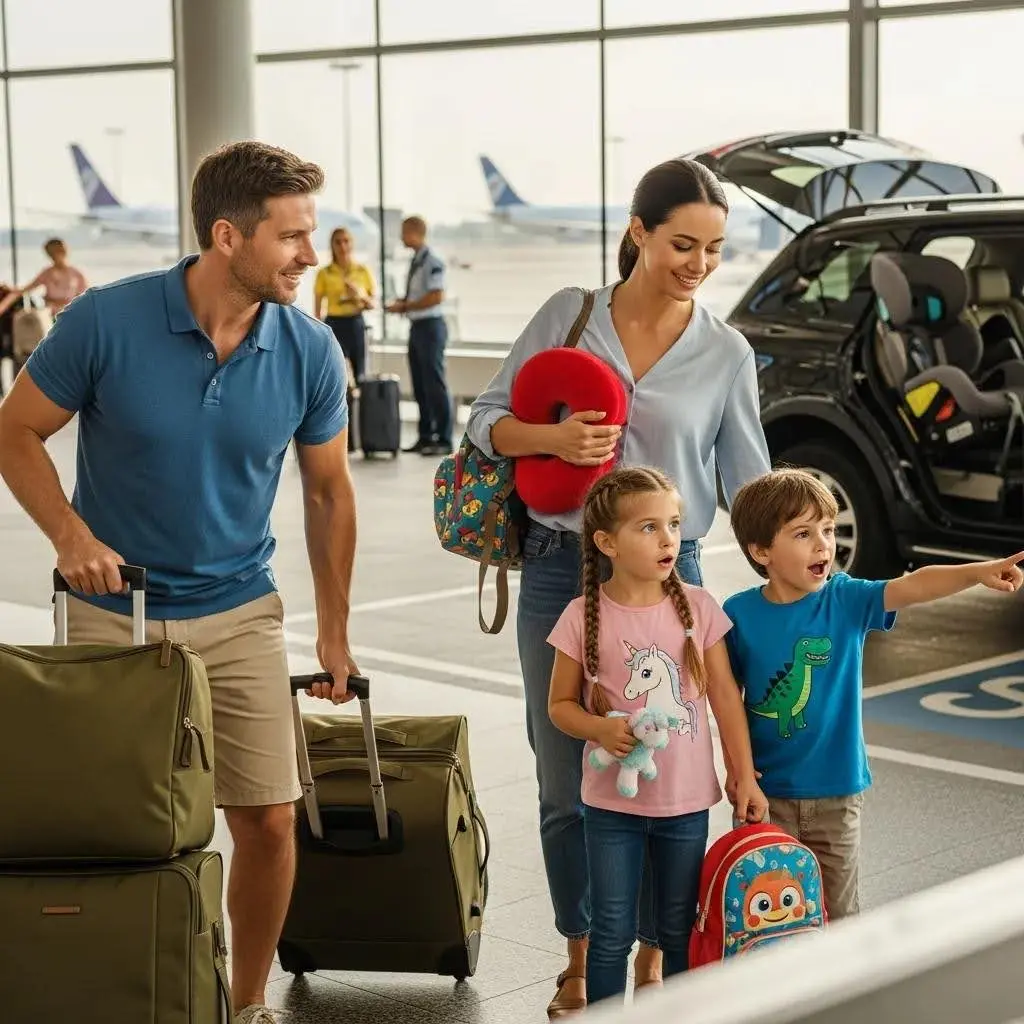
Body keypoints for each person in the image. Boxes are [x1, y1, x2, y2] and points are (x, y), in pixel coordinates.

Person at [0, 140, 358, 1024]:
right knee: (107, 826)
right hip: (111, 616)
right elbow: (13, 433)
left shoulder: (309, 349)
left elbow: (327, 491)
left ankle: (244, 1004)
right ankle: (118, 988)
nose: (311, 255)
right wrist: (70, 533)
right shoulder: (105, 322)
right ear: (228, 236)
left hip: (240, 609)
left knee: (269, 821)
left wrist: (335, 631)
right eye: (293, 236)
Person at [465, 157, 771, 1016]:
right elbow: (485, 422)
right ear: (638, 232)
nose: (698, 265)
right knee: (566, 777)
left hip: (675, 589)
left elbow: (749, 484)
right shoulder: (569, 315)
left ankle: (649, 959)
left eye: (713, 250)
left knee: (666, 779)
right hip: (565, 572)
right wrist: (547, 442)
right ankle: (580, 952)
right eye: (682, 243)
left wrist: (805, 565)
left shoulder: (725, 351)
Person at [724, 468, 1024, 920]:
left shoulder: (845, 599)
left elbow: (915, 585)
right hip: (767, 796)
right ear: (761, 550)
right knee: (771, 919)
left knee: (840, 916)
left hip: (836, 794)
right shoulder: (739, 613)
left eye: (827, 529)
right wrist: (742, 776)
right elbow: (728, 703)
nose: (823, 544)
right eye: (803, 534)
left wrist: (977, 572)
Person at [547, 466, 768, 1007]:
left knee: (675, 931)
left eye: (672, 523)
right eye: (648, 527)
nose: (668, 538)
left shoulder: (699, 607)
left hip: (686, 804)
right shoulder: (581, 616)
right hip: (610, 807)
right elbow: (558, 707)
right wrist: (600, 728)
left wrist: (743, 777)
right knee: (610, 935)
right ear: (607, 543)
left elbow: (724, 700)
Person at [385, 215, 452, 456]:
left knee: (434, 382)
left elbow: (436, 296)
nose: (402, 237)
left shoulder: (432, 261)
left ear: (415, 232)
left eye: (404, 231)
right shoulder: (417, 260)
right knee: (421, 384)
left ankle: (443, 438)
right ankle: (426, 436)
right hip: (418, 327)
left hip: (431, 327)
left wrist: (405, 307)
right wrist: (402, 304)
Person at [314, 226, 375, 386]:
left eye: (346, 241)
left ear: (352, 244)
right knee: (334, 376)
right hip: (334, 325)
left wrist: (358, 295)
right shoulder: (324, 273)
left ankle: (362, 410)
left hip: (356, 324)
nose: (342, 246)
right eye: (338, 242)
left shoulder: (363, 271)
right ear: (332, 245)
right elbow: (317, 310)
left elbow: (372, 305)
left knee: (360, 375)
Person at [0, 237, 87, 318]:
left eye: (58, 251)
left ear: (64, 251)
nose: (54, 256)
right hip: (51, 317)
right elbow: (25, 290)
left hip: (71, 316)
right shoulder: (47, 273)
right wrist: (10, 290)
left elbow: (85, 300)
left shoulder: (77, 274)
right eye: (51, 253)